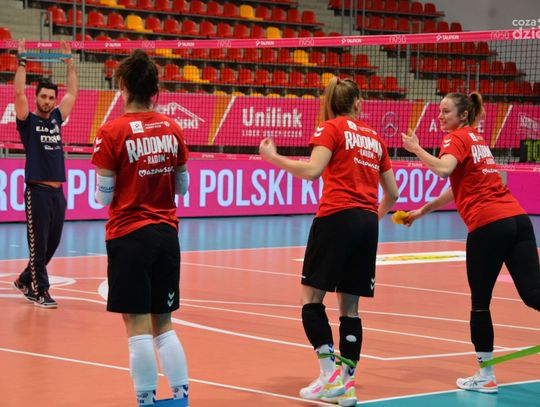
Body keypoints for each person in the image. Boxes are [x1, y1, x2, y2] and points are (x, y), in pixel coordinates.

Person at [259, 77, 399, 406]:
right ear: (358, 102)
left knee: (311, 299)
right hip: (367, 222)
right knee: (350, 309)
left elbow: (312, 171)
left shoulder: (330, 128)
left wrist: (273, 157)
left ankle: (328, 376)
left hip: (337, 216)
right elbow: (392, 193)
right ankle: (345, 383)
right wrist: (370, 219)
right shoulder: (375, 138)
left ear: (332, 102)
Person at [402, 92, 540, 393]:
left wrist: (416, 149)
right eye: (440, 111)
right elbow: (459, 186)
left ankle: (486, 376)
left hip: (488, 224)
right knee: (534, 295)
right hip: (518, 220)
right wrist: (423, 210)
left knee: (480, 304)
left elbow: (443, 169)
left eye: (446, 112)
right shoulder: (477, 139)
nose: (440, 117)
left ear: (463, 115)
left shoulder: (455, 139)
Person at [91, 50, 190, 406]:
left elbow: (103, 197)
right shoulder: (173, 128)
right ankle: (180, 397)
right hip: (166, 234)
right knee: (164, 324)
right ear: (155, 89)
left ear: (123, 85)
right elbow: (182, 188)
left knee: (136, 326)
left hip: (129, 235)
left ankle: (146, 400)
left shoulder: (111, 131)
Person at [12, 39, 78, 309]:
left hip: (57, 193)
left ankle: (24, 279)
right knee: (38, 246)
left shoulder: (56, 118)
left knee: (52, 244)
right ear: (37, 97)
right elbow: (19, 93)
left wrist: (70, 63)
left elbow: (71, 94)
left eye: (51, 97)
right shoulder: (28, 121)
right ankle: (41, 292)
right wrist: (22, 61)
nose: (48, 101)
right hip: (37, 192)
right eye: (43, 96)